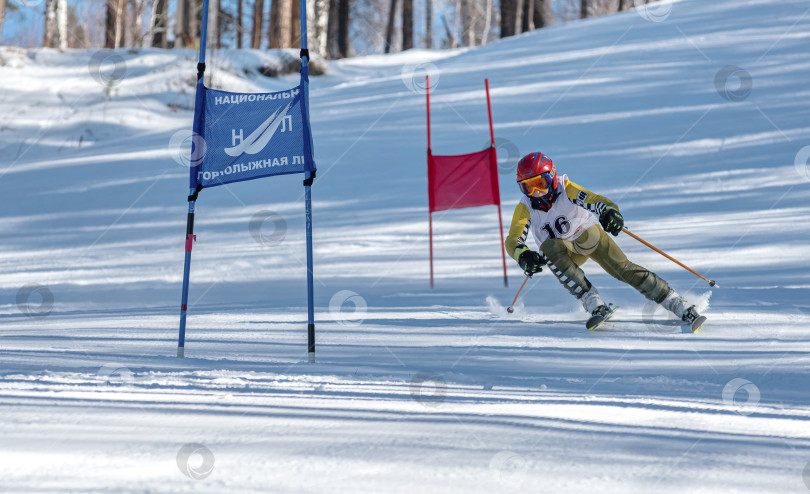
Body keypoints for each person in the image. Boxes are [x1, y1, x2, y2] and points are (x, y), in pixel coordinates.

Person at [504, 151, 704, 330]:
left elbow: (596, 201)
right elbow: (513, 239)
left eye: (540, 183)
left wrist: (609, 213)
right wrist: (522, 255)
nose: (536, 192)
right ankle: (591, 299)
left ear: (552, 178)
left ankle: (674, 301)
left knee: (622, 269)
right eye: (527, 187)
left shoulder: (566, 189)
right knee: (548, 248)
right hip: (564, 252)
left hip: (588, 237)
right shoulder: (525, 208)